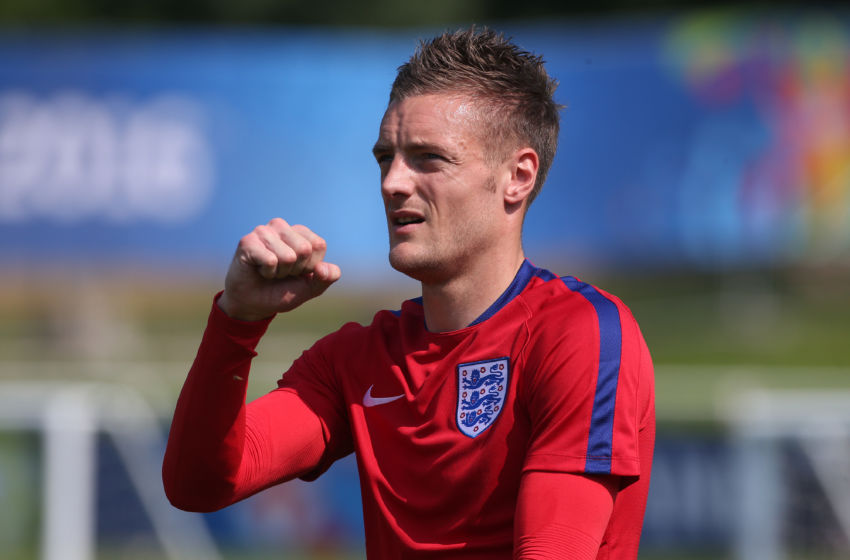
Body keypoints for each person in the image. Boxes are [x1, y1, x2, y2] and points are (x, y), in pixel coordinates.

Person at [162, 27, 655, 559]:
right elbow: (201, 484)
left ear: (518, 175)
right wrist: (237, 319)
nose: (393, 182)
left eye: (428, 158)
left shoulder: (578, 334)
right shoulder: (359, 358)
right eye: (385, 158)